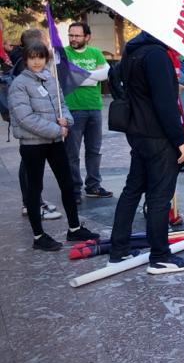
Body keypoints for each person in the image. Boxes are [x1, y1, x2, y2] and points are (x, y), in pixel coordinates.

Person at [108, 31, 184, 274]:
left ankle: (119, 250)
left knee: (132, 190)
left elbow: (119, 82)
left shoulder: (131, 50)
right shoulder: (156, 54)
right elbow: (164, 103)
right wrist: (181, 141)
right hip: (158, 136)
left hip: (137, 132)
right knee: (159, 197)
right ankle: (160, 256)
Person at [8, 41, 100, 251]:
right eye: (33, 58)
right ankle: (39, 236)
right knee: (35, 189)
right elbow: (25, 118)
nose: (37, 62)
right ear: (26, 59)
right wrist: (57, 129)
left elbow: (63, 106)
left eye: (41, 57)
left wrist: (66, 121)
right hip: (33, 145)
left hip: (55, 142)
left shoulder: (51, 78)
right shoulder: (19, 84)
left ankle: (74, 228)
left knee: (67, 184)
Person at [11, 29, 62, 221]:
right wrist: (57, 129)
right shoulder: (23, 74)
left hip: (40, 129)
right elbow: (26, 115)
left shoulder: (33, 67)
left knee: (29, 169)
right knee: (29, 169)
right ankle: (31, 204)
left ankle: (34, 202)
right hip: (31, 134)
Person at [63, 22, 112, 201]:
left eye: (77, 35)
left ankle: (93, 186)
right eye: (71, 35)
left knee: (94, 150)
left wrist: (81, 76)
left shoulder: (96, 53)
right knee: (72, 153)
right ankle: (75, 190)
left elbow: (106, 74)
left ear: (87, 37)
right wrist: (92, 76)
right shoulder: (64, 53)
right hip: (72, 109)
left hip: (95, 108)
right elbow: (67, 77)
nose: (73, 39)